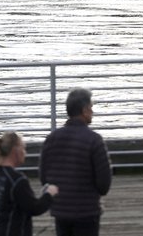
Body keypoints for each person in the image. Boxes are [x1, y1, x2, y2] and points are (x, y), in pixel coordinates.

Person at [39, 88, 112, 236]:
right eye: (91, 107)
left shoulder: (51, 139)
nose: (92, 111)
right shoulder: (94, 140)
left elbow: (43, 178)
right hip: (87, 211)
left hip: (60, 211)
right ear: (85, 110)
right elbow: (104, 184)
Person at [0, 131, 59, 236]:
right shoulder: (17, 180)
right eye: (23, 148)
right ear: (15, 150)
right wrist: (49, 194)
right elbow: (34, 208)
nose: (25, 152)